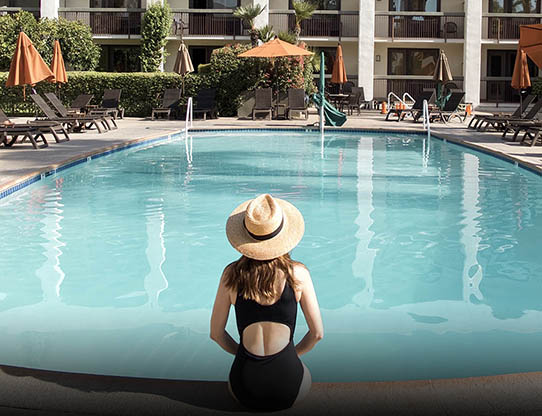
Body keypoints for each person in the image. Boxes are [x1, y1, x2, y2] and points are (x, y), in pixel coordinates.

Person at [210, 194, 324, 411]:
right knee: (305, 373)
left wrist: (243, 354)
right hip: (288, 388)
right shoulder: (298, 274)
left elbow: (216, 334)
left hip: (244, 388)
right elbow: (317, 334)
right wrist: (292, 354)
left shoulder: (230, 276)